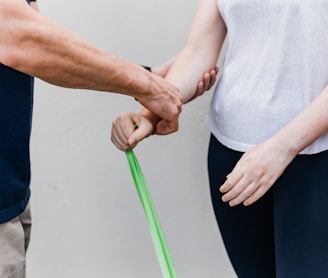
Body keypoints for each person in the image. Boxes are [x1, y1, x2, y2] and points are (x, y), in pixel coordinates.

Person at [0, 0, 218, 277]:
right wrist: (149, 86)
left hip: (10, 196)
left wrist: (151, 82)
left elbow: (33, 34)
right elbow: (19, 36)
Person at [111, 0, 328, 277]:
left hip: (315, 157)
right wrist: (150, 114)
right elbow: (199, 50)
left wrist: (282, 148)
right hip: (232, 156)